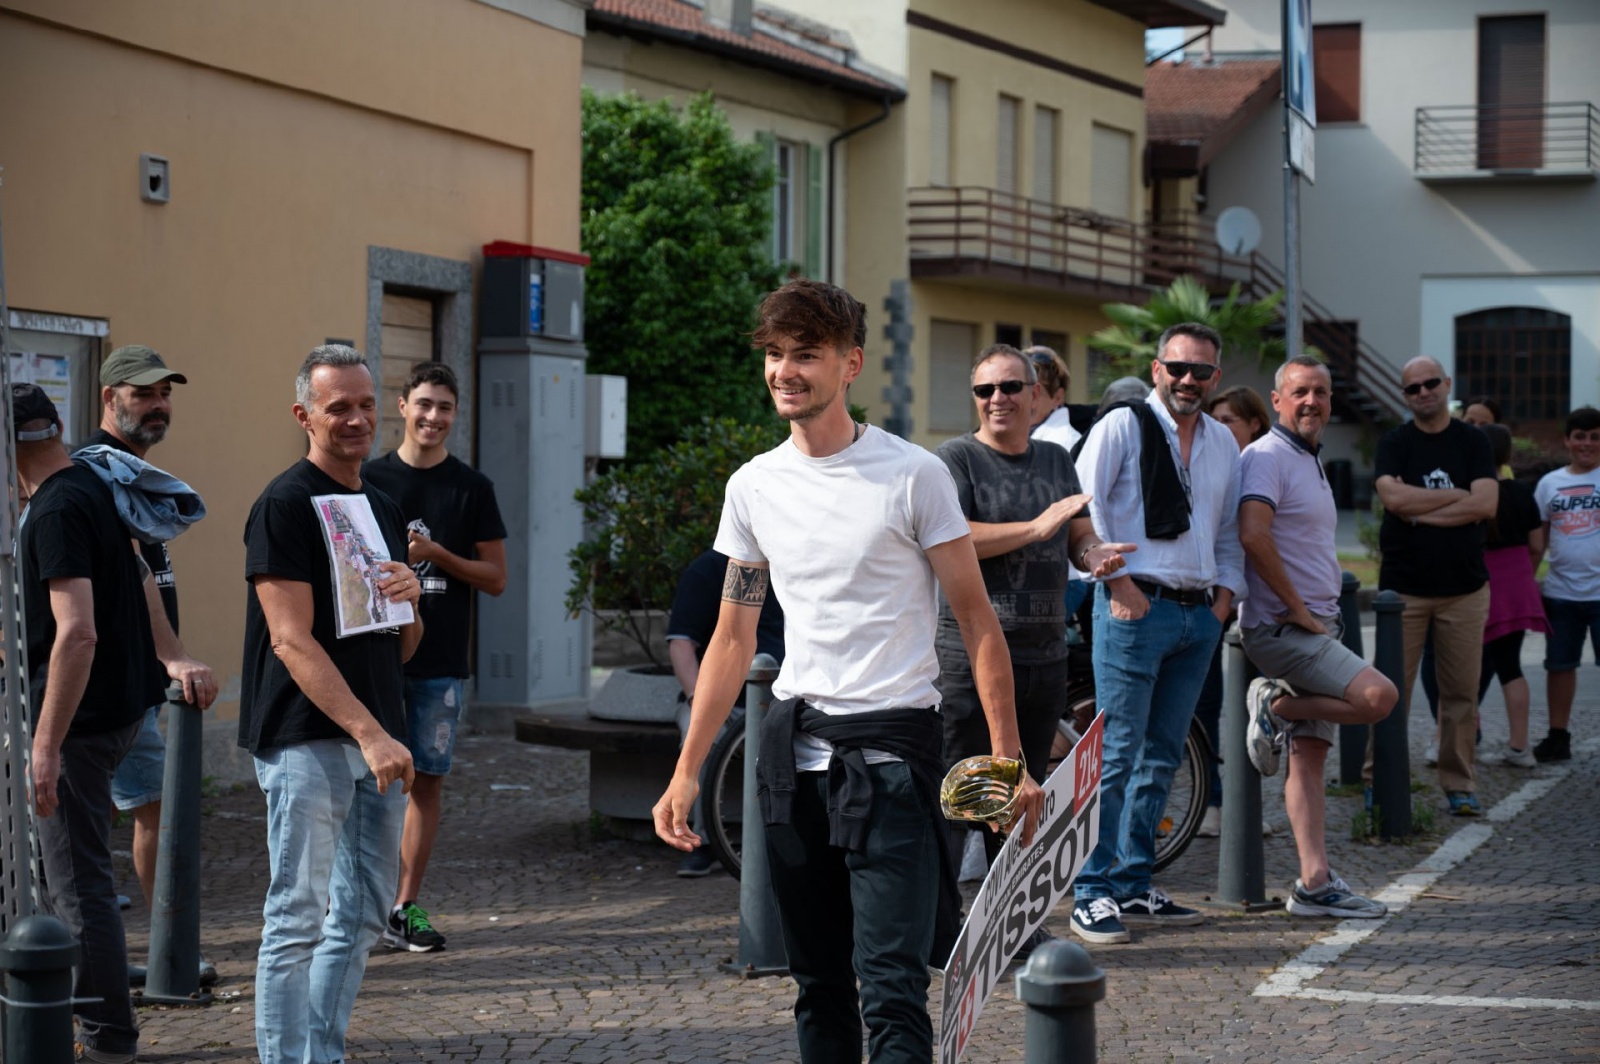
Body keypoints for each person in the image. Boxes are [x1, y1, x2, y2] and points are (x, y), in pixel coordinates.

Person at [652, 279, 1043, 1063]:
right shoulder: (753, 486)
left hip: (893, 763)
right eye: (773, 354)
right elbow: (731, 638)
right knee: (817, 987)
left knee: (892, 991)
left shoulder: (912, 475)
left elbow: (976, 621)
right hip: (792, 766)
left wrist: (1009, 761)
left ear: (850, 363)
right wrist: (687, 769)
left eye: (805, 354)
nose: (784, 371)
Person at [240, 344, 423, 1063]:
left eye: (365, 403)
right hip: (307, 738)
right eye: (337, 406)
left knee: (364, 912)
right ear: (303, 415)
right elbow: (290, 640)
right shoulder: (283, 504)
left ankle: (322, 1052)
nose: (355, 419)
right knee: (297, 917)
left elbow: (397, 647)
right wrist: (371, 734)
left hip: (378, 736)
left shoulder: (379, 502)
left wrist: (410, 603)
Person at [934, 344, 1130, 934]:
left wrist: (1095, 553)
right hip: (968, 659)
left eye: (1012, 387)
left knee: (1023, 794)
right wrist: (1035, 527)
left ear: (1036, 395)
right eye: (985, 390)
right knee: (957, 795)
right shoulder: (955, 458)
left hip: (1044, 654)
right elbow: (955, 537)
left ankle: (1011, 924)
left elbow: (1076, 530)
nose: (999, 399)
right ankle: (939, 926)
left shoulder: (1053, 459)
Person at [1069, 322, 1244, 946]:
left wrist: (1222, 602)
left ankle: (1132, 880)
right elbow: (1080, 509)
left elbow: (1226, 529)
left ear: (1216, 378)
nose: (1188, 380)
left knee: (1163, 755)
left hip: (1198, 615)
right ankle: (1091, 890)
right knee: (1116, 754)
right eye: (1178, 368)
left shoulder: (1224, 441)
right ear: (1156, 369)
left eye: (1201, 371)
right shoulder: (1121, 425)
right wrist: (1118, 586)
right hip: (1133, 606)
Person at [15, 382, 166, 1064]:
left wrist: (44, 746)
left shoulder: (55, 508)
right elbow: (135, 578)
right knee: (76, 882)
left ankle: (107, 1040)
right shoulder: (90, 482)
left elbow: (77, 634)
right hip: (117, 712)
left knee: (80, 888)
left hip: (80, 727)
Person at [1236, 357, 1397, 919]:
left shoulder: (1309, 458)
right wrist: (1300, 610)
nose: (1312, 402)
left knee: (1309, 759)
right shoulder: (1266, 457)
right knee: (1379, 698)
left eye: (1322, 393)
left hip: (1317, 623)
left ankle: (1313, 883)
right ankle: (1275, 704)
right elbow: (1253, 535)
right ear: (1276, 400)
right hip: (1285, 629)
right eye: (1300, 392)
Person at [362, 361, 507, 952]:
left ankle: (402, 907)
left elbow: (495, 578)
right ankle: (357, 904)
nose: (433, 417)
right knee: (364, 781)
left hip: (442, 662)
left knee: (425, 784)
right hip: (375, 658)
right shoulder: (368, 480)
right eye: (424, 403)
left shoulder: (472, 487)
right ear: (402, 405)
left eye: (445, 407)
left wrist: (437, 554)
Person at [79, 345, 218, 934]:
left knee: (121, 808)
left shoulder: (133, 472)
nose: (159, 406)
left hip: (136, 679)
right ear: (111, 399)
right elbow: (133, 574)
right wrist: (171, 654)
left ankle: (132, 942)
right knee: (154, 812)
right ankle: (171, 948)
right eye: (144, 394)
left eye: (165, 394)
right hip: (117, 679)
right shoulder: (99, 472)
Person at [1373, 356, 1497, 816]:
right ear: (1405, 396)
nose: (1423, 392)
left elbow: (1486, 505)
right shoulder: (1395, 442)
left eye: (1430, 384)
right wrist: (1457, 496)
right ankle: (1379, 780)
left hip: (1464, 589)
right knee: (1386, 694)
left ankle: (1459, 783)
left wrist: (1418, 513)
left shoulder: (1473, 441)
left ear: (1447, 385)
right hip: (1402, 593)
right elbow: (1392, 496)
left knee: (1461, 694)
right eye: (1412, 388)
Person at [664, 547, 785, 877]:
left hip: (791, 692)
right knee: (699, 728)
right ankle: (701, 841)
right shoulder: (709, 569)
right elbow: (682, 645)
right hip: (727, 698)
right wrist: (695, 698)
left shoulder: (797, 555)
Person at [1193, 385, 1272, 836]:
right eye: (1215, 419)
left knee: (1258, 710)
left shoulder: (1260, 464)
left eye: (1229, 421)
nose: (1219, 428)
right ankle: (1216, 803)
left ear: (1255, 423)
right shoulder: (1210, 463)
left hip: (1256, 606)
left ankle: (1244, 805)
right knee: (1207, 709)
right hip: (1217, 605)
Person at [1474, 422, 1548, 767]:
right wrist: (1524, 578)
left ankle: (1457, 741)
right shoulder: (1522, 492)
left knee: (1465, 668)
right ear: (1508, 454)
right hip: (1517, 582)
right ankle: (1520, 746)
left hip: (1479, 583)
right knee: (1510, 665)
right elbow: (1536, 545)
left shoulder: (1473, 493)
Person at [1531, 406, 1600, 762]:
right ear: (1567, 440)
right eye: (1580, 437)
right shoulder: (1549, 484)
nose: (1586, 444)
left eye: (1594, 437)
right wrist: (1528, 581)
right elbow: (1538, 542)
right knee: (1559, 667)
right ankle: (1558, 736)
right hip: (1560, 593)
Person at [1026, 345, 1081, 451]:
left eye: (1034, 393)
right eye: (1018, 389)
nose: (1025, 400)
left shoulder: (1065, 445)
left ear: (1058, 397)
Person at [1207, 386, 1271, 453]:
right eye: (1213, 420)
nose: (1217, 426)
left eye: (1227, 420)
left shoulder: (1267, 460)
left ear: (1255, 424)